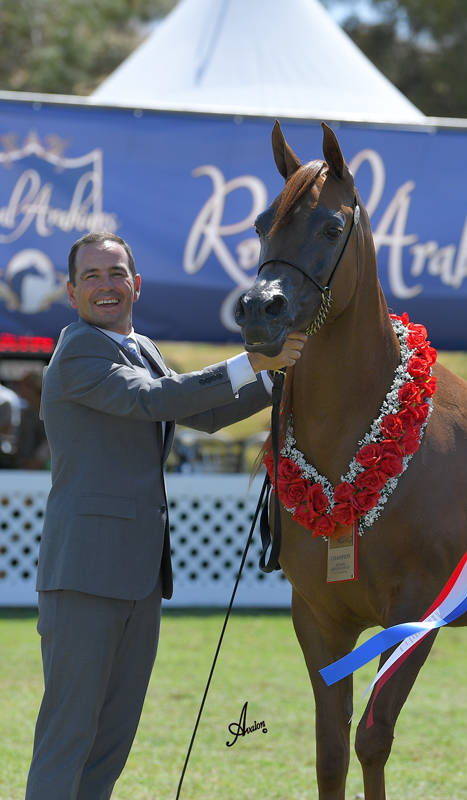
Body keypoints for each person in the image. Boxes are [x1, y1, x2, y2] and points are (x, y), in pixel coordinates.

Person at [25, 231, 305, 799]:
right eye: (92, 276)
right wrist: (249, 360)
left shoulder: (142, 348)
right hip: (84, 574)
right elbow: (155, 400)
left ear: (136, 284)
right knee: (68, 737)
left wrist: (281, 379)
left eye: (116, 273)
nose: (106, 286)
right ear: (72, 291)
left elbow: (200, 411)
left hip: (140, 575)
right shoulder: (79, 347)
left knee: (112, 741)